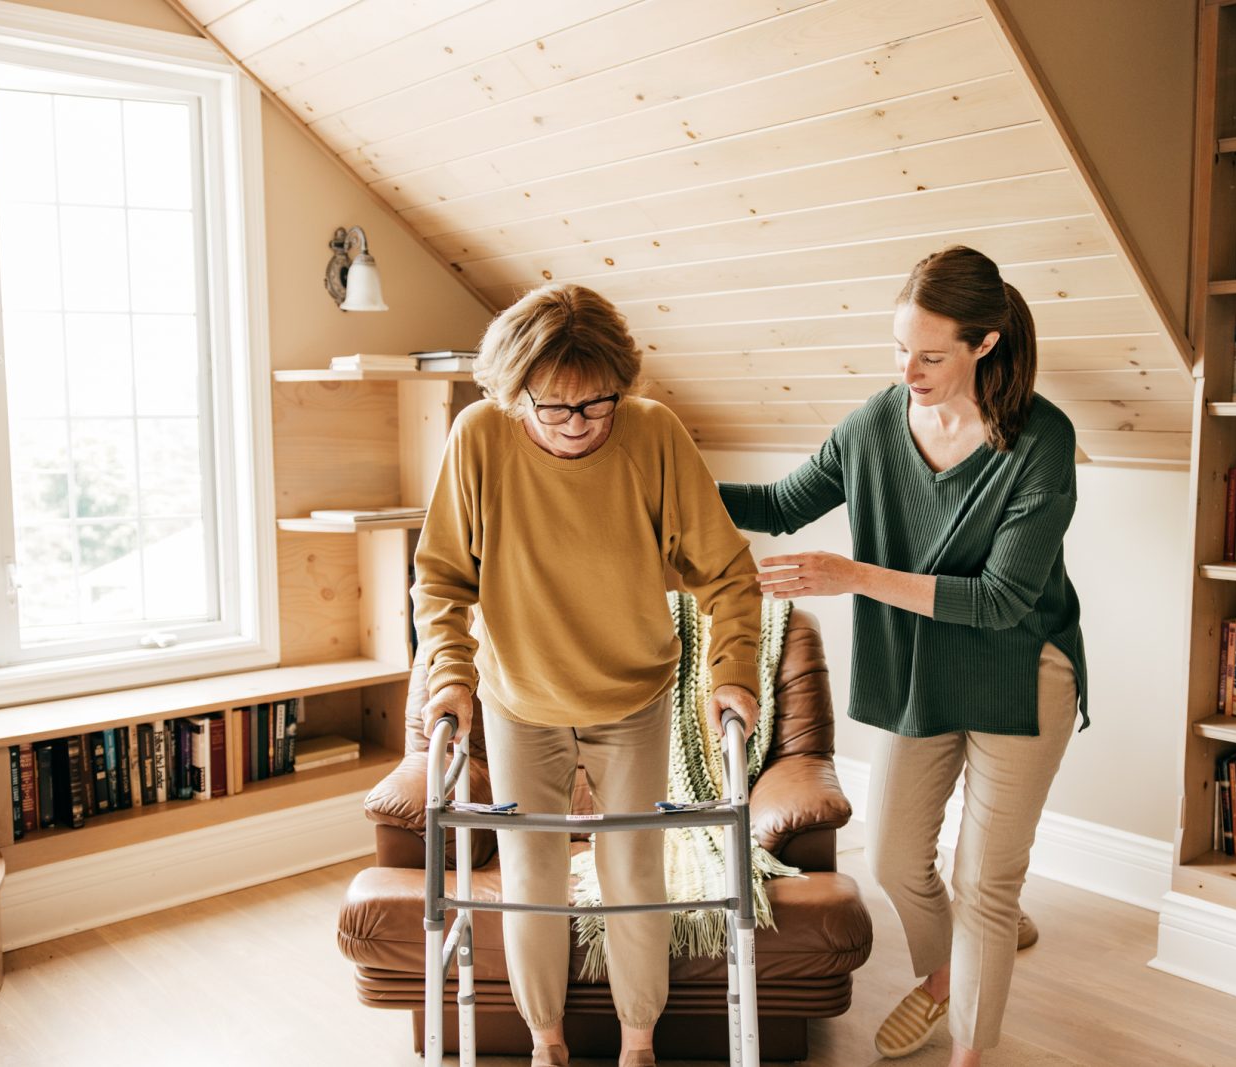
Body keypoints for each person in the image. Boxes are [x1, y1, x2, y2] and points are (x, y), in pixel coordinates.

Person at [718, 245, 1088, 1066]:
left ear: (984, 344)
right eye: (898, 348)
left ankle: (967, 1050)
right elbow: (780, 505)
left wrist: (852, 575)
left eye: (930, 354)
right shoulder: (877, 423)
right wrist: (659, 477)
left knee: (984, 882)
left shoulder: (1040, 441)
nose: (907, 369)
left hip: (1022, 673)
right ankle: (947, 975)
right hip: (924, 673)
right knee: (889, 851)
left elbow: (1000, 600)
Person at [411, 283, 763, 1067]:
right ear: (513, 391)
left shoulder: (652, 434)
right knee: (532, 872)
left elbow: (729, 573)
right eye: (555, 408)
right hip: (519, 698)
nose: (577, 425)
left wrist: (732, 674)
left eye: (596, 406)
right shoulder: (478, 438)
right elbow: (440, 579)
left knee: (634, 868)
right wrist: (449, 675)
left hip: (632, 693)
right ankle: (547, 1044)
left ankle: (639, 1044)